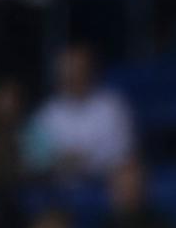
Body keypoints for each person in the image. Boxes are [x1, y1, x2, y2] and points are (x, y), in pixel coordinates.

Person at [24, 43, 136, 180]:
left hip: (106, 181)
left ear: (90, 70)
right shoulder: (46, 113)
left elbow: (124, 150)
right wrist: (60, 161)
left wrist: (85, 160)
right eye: (68, 70)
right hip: (59, 186)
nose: (73, 75)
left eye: (79, 69)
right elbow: (34, 158)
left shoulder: (112, 106)